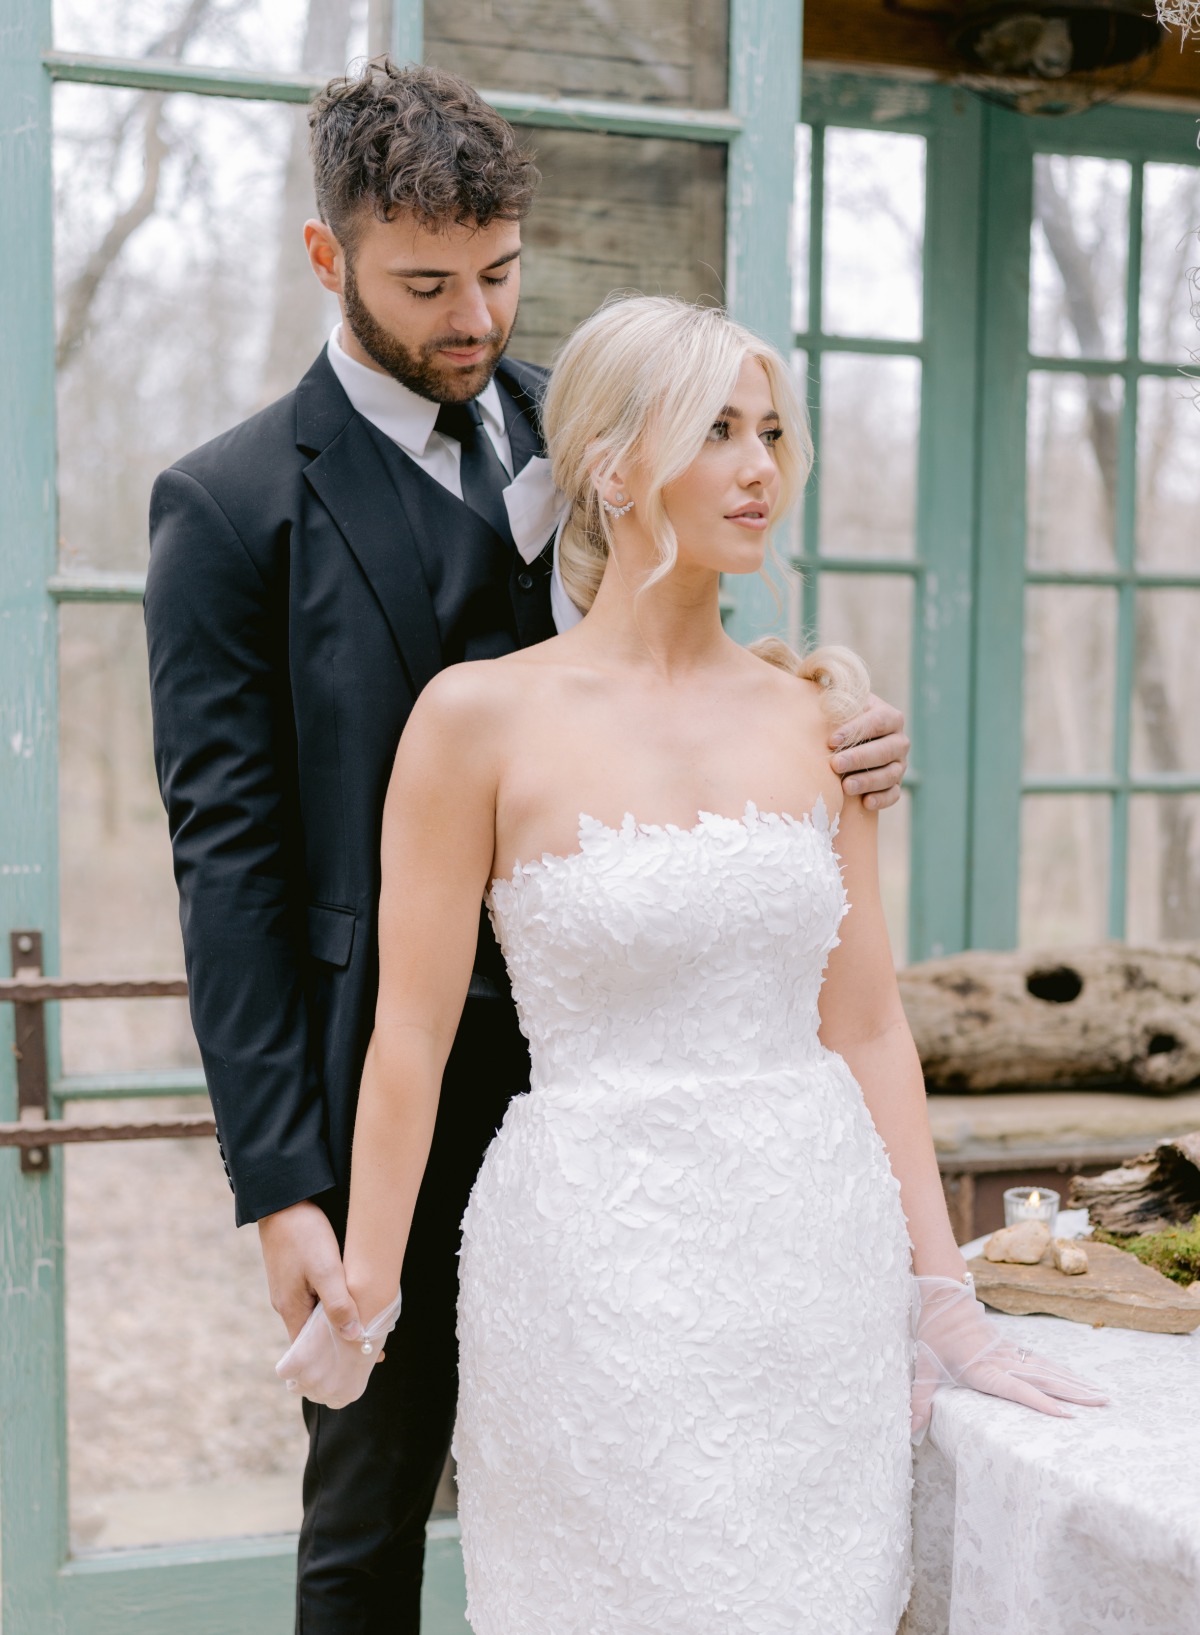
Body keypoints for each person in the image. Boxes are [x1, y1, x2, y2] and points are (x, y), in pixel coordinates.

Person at [143, 60, 912, 1633]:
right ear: (327, 258)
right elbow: (227, 872)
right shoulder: (228, 509)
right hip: (395, 1083)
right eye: (427, 284)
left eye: (499, 274)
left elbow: (669, 660)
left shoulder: (593, 423)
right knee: (368, 1510)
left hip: (616, 1057)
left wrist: (821, 698)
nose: (476, 318)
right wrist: (286, 1185)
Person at [287, 295, 1105, 1634]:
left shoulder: (817, 721)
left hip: (808, 1268)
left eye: (773, 432)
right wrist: (367, 1285)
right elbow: (411, 1035)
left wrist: (939, 1289)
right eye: (717, 431)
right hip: (585, 1272)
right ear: (612, 465)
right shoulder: (475, 719)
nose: (760, 469)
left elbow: (870, 1027)